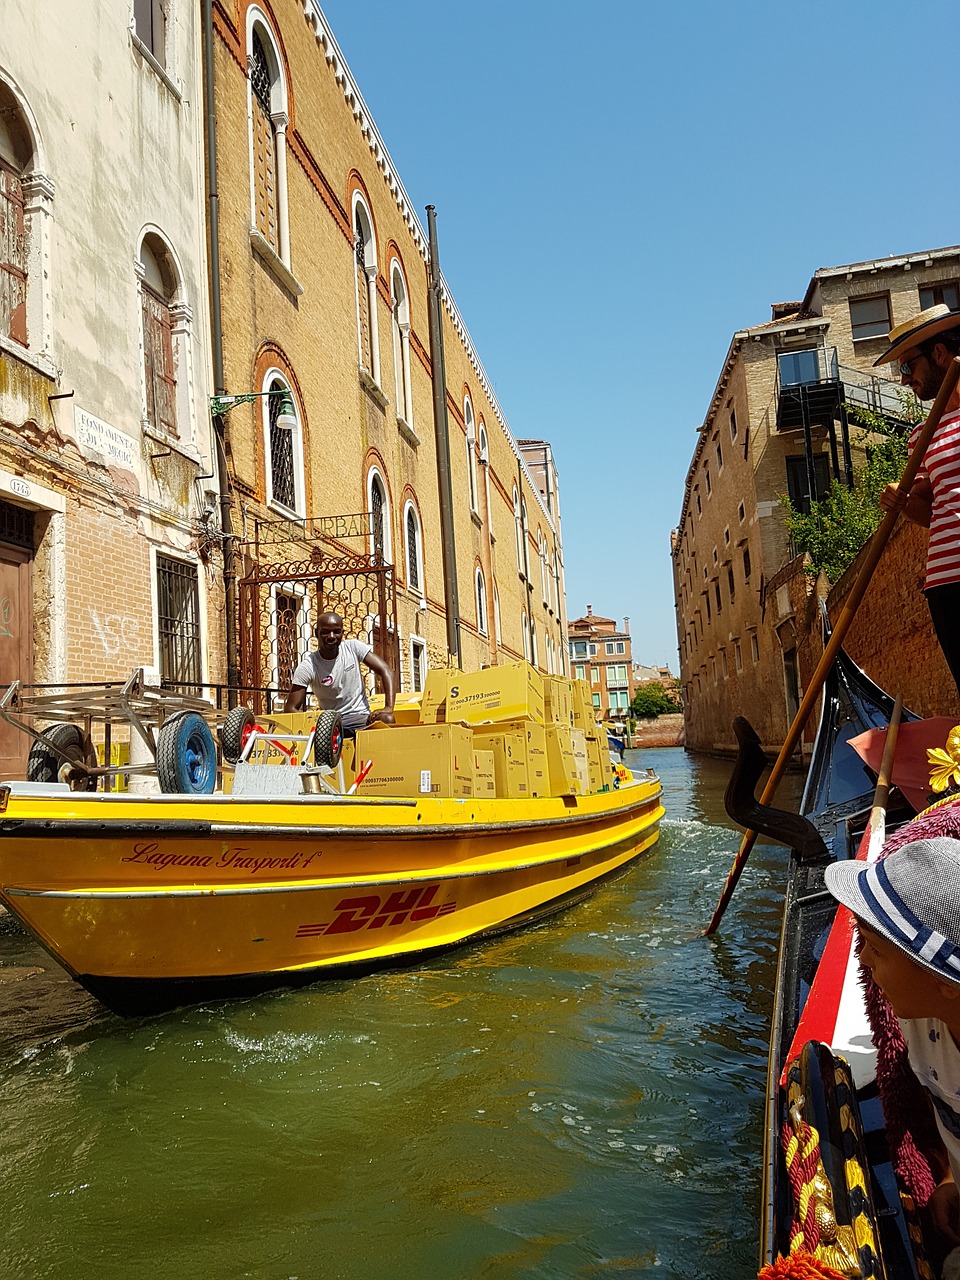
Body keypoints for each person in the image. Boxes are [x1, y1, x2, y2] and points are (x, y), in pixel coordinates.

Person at [825, 837, 960, 1254]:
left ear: (942, 983)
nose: (861, 959)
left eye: (876, 949)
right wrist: (951, 1181)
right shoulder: (918, 1020)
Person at [877, 303, 960, 694]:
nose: (904, 379)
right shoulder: (921, 434)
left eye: (908, 366)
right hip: (945, 583)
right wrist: (899, 499)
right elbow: (928, 512)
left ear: (939, 354)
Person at [283, 611, 396, 732]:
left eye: (336, 631)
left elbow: (386, 671)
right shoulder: (308, 666)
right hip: (331, 723)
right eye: (325, 632)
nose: (331, 636)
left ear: (342, 633)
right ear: (316, 633)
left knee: (388, 719)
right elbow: (290, 709)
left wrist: (388, 707)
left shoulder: (353, 648)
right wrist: (313, 722)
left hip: (360, 717)